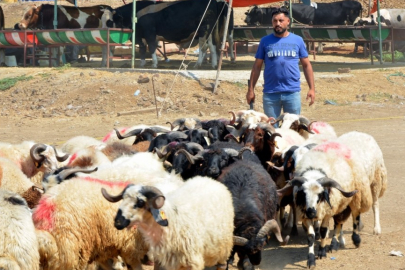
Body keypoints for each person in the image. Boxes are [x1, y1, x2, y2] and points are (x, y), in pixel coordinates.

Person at [246, 7, 315, 121]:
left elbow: (307, 65)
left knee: (293, 128)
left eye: (281, 20)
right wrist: (250, 90)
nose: (278, 24)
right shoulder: (265, 41)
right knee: (272, 130)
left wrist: (312, 89)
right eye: (275, 21)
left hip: (292, 93)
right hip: (270, 94)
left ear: (288, 21)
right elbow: (256, 67)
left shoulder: (297, 40)